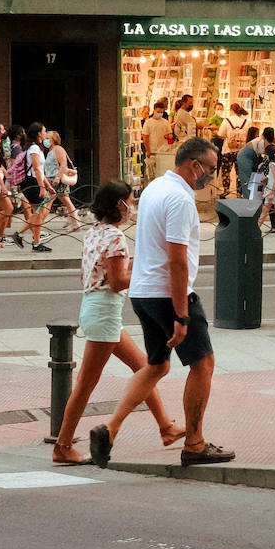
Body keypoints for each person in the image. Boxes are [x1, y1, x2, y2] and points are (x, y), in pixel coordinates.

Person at [89, 137, 234, 469]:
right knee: (203, 364)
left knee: (156, 365)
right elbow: (177, 261)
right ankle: (195, 444)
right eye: (211, 169)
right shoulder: (180, 200)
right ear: (194, 165)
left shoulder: (155, 188)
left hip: (142, 291)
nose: (212, 177)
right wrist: (182, 315)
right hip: (167, 293)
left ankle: (109, 431)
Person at [52, 181, 185, 465]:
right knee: (85, 385)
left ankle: (166, 428)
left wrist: (136, 263)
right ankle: (62, 446)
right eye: (130, 201)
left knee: (144, 367)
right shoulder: (115, 237)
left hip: (96, 308)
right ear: (119, 205)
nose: (132, 207)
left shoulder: (93, 233)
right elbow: (117, 281)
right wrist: (143, 269)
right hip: (104, 311)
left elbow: (107, 273)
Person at [12, 122, 55, 252]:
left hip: (35, 181)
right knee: (41, 211)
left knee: (39, 212)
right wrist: (42, 188)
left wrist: (47, 185)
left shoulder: (37, 148)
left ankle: (36, 243)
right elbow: (36, 168)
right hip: (32, 182)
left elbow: (40, 170)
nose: (46, 133)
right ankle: (20, 234)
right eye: (44, 131)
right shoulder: (34, 148)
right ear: (38, 134)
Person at [45, 130, 82, 230]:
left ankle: (76, 222)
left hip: (58, 180)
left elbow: (63, 164)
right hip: (51, 179)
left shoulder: (58, 149)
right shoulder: (50, 151)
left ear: (53, 140)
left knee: (54, 200)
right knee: (64, 200)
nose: (45, 140)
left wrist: (57, 177)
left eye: (47, 138)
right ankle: (74, 221)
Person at [216, 103, 249, 196]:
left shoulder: (227, 121)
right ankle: (239, 192)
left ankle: (226, 190)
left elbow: (221, 134)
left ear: (231, 110)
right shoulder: (246, 122)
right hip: (241, 151)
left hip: (227, 150)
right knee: (240, 172)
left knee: (226, 171)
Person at [141, 101, 171, 183]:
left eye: (161, 112)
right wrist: (148, 150)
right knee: (152, 176)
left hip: (163, 153)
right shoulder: (148, 123)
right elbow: (145, 137)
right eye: (158, 112)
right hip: (152, 153)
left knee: (162, 176)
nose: (160, 114)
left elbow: (170, 135)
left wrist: (169, 137)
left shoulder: (165, 123)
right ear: (154, 111)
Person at [236, 127, 263, 201]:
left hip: (252, 162)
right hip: (247, 161)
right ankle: (248, 201)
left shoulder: (252, 143)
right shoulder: (255, 143)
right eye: (257, 134)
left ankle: (250, 199)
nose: (258, 136)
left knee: (250, 181)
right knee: (247, 181)